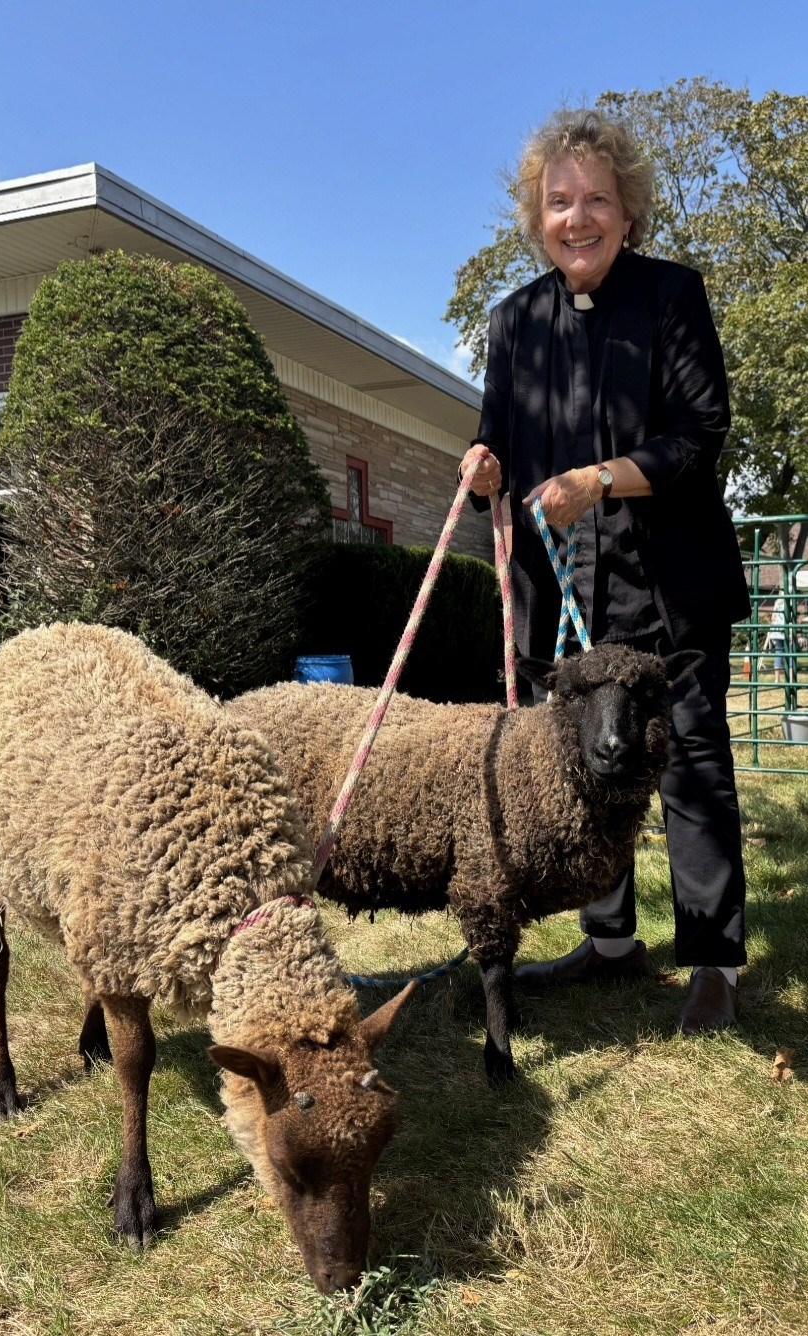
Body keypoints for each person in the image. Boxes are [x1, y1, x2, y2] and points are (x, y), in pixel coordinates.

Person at [459, 109, 750, 1035]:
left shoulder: (671, 297)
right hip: (570, 597)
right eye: (558, 201)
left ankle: (711, 961)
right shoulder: (513, 322)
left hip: (671, 587)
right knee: (587, 769)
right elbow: (494, 438)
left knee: (691, 765)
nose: (575, 218)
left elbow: (700, 436)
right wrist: (484, 467)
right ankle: (611, 940)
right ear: (534, 216)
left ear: (629, 214)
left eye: (595, 199)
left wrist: (601, 480)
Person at [766, 594, 787, 684]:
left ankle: (777, 679)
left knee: (778, 654)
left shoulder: (777, 602)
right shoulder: (789, 601)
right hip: (786, 631)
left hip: (777, 631)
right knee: (790, 655)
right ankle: (790, 678)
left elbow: (773, 617)